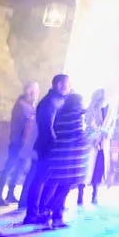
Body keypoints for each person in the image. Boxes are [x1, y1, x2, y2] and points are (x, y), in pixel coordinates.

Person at [21, 73, 70, 225]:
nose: (69, 87)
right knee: (39, 180)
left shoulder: (55, 100)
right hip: (46, 148)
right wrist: (55, 144)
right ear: (59, 85)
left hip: (48, 147)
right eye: (68, 84)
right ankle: (32, 214)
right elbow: (47, 126)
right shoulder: (50, 102)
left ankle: (40, 211)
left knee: (44, 180)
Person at [40, 93, 88, 229]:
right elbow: (79, 136)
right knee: (65, 188)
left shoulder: (60, 114)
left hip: (58, 156)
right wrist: (90, 136)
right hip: (69, 159)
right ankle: (48, 212)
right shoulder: (76, 117)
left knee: (60, 186)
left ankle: (57, 218)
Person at [0, 82, 38, 206]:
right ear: (28, 90)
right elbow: (27, 123)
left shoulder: (30, 105)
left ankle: (10, 193)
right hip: (17, 142)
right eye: (35, 90)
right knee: (8, 168)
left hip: (25, 144)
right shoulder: (21, 105)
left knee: (18, 169)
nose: (36, 93)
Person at [77, 89, 112, 206]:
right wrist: (97, 133)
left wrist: (105, 133)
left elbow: (110, 125)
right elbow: (89, 122)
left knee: (99, 168)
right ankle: (80, 195)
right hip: (91, 141)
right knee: (86, 169)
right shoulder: (91, 108)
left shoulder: (109, 109)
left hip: (102, 143)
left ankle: (95, 194)